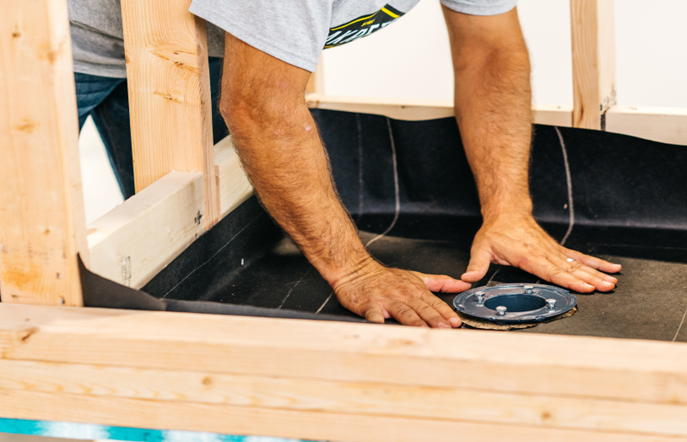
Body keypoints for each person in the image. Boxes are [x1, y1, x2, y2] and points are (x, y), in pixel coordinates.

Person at [70, 0, 621, 329]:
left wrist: (510, 213)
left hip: (193, 40)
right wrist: (354, 270)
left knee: (203, 241)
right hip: (51, 35)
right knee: (21, 261)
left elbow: (489, 49)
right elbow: (259, 106)